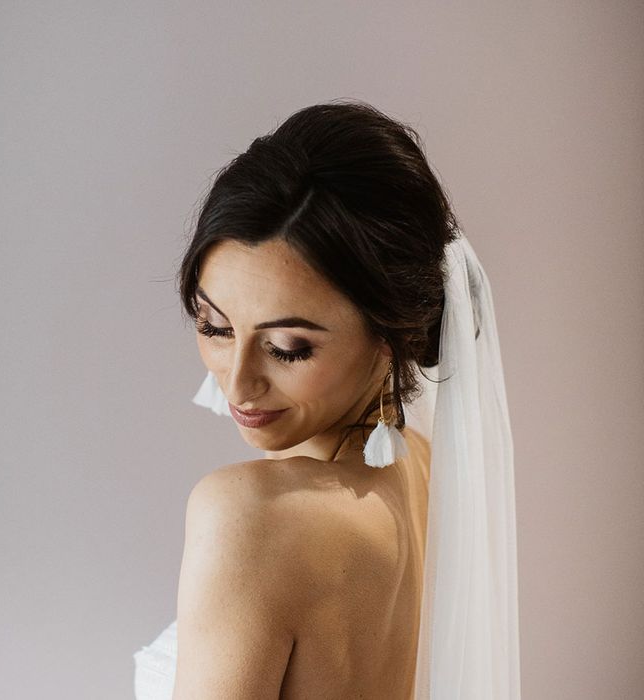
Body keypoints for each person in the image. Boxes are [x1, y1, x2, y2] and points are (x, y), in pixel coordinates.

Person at [133, 101, 521, 699]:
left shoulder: (254, 515)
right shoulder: (425, 472)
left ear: (393, 334)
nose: (238, 383)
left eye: (287, 348)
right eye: (214, 326)